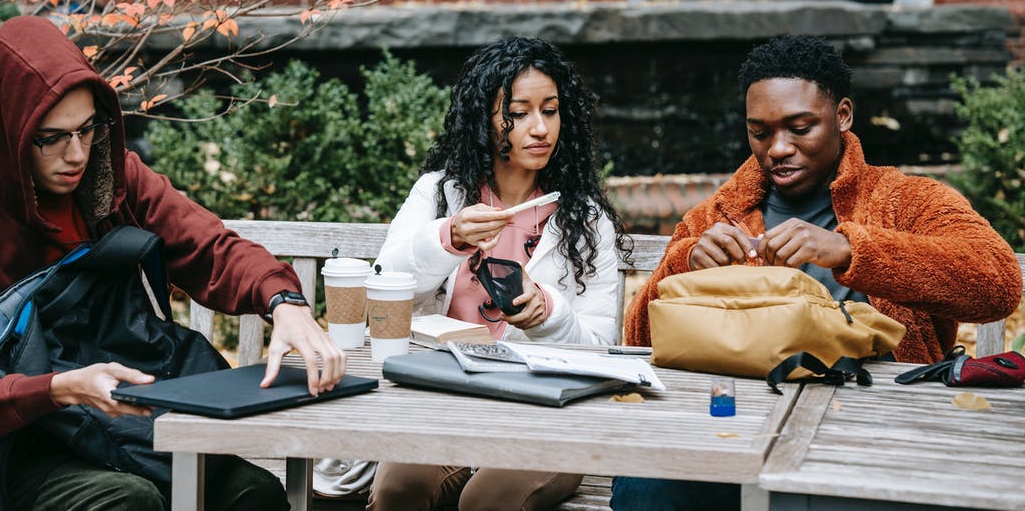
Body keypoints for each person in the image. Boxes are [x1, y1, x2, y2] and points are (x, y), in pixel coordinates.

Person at [0, 15, 345, 510]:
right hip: (16, 451)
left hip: (129, 431)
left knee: (253, 494)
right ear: (10, 132)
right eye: (51, 137)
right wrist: (58, 389)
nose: (77, 154)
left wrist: (283, 300)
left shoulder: (117, 180)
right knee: (129, 501)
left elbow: (212, 248)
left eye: (88, 129)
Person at [614, 35, 1022, 511]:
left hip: (878, 426)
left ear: (842, 115)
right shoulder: (718, 215)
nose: (778, 148)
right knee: (643, 492)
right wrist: (683, 264)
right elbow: (641, 337)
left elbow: (997, 282)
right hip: (734, 423)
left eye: (800, 127)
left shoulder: (904, 200)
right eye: (760, 132)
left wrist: (851, 249)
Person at [367, 37, 631, 511]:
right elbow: (387, 287)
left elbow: (599, 348)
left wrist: (549, 313)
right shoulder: (442, 193)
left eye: (550, 111)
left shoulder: (585, 219)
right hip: (444, 404)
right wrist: (448, 237)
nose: (538, 128)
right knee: (398, 489)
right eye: (518, 112)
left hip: (545, 416)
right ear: (484, 119)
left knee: (487, 501)